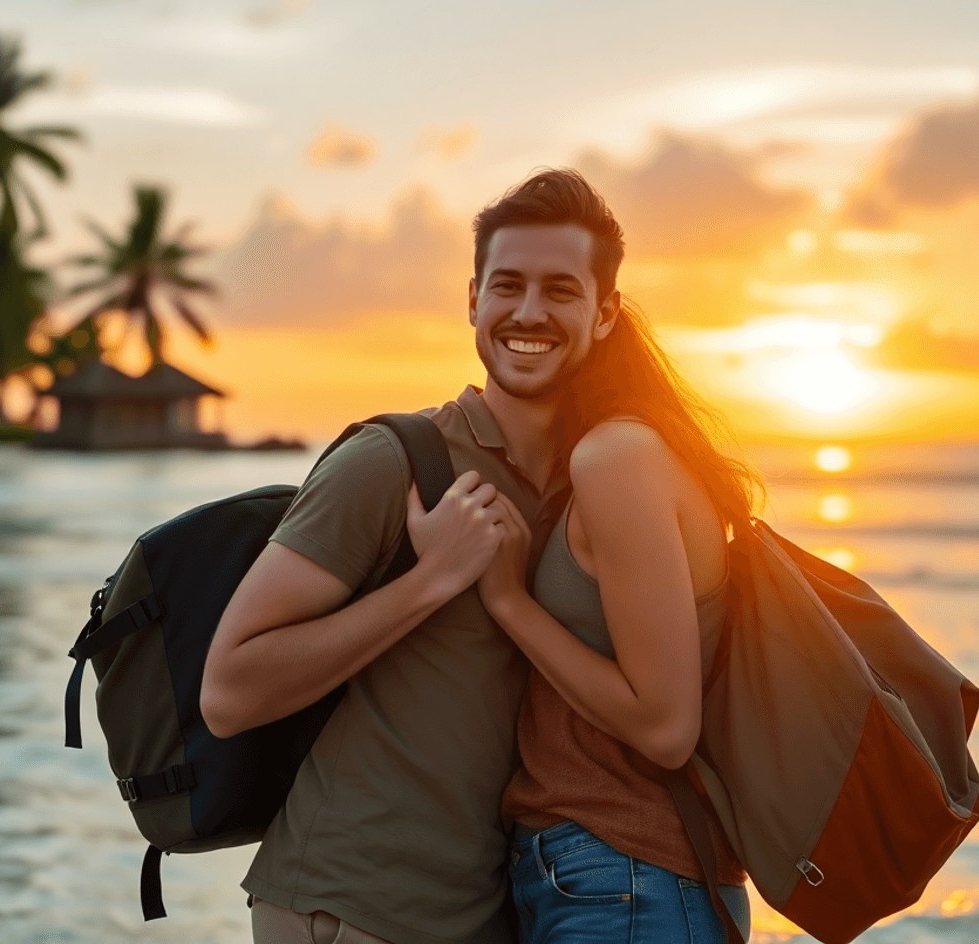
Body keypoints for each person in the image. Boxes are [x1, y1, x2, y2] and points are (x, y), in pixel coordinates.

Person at [200, 170, 623, 944]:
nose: (529, 312)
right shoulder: (392, 464)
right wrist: (431, 581)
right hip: (348, 900)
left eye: (561, 290)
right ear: (473, 300)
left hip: (485, 912)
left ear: (605, 315)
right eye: (508, 286)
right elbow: (229, 689)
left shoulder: (598, 484)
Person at [476, 286, 762, 942]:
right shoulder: (621, 461)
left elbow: (666, 728)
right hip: (603, 874)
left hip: (624, 874)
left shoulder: (615, 456)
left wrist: (509, 602)